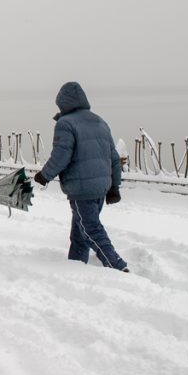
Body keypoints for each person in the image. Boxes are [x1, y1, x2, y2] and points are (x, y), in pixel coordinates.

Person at [34, 82, 128, 272]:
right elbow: (114, 158)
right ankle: (75, 269)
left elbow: (61, 156)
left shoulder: (65, 124)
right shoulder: (100, 122)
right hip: (101, 187)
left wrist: (44, 175)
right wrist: (114, 187)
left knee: (90, 230)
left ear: (62, 103)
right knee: (79, 233)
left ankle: (117, 266)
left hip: (82, 189)